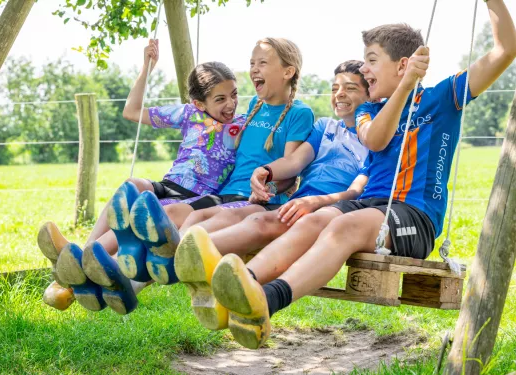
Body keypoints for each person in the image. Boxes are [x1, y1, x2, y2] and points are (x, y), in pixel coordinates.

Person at [185, 1, 516, 349]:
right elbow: (376, 138)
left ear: (402, 66)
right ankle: (239, 289)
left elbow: (506, 48)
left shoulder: (443, 98)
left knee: (344, 226)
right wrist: (402, 89)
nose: (364, 67)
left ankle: (267, 300)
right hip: (368, 204)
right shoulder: (368, 110)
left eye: (372, 59)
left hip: (413, 216)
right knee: (313, 220)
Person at [38, 38, 245, 312]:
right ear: (199, 103)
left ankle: (81, 262)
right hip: (170, 184)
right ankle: (86, 252)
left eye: (234, 94)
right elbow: (131, 111)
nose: (230, 104)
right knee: (131, 185)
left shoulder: (242, 125)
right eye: (221, 98)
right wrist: (146, 68)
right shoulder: (188, 114)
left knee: (141, 215)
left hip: (197, 197)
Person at [173, 59, 372, 330]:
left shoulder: (374, 140)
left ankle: (189, 255)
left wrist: (316, 201)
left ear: (369, 93)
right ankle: (194, 261)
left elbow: (356, 191)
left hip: (331, 210)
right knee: (250, 214)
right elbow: (294, 162)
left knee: (261, 222)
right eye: (335, 87)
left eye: (350, 88)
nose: (339, 94)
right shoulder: (326, 127)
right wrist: (265, 171)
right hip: (297, 202)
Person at [124, 37, 314, 285]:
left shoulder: (299, 113)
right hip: (226, 193)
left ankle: (155, 272)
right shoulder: (255, 107)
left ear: (288, 71)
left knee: (212, 222)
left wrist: (267, 188)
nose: (254, 68)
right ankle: (130, 269)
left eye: (263, 62)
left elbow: (291, 167)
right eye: (252, 62)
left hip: (257, 200)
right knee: (181, 214)